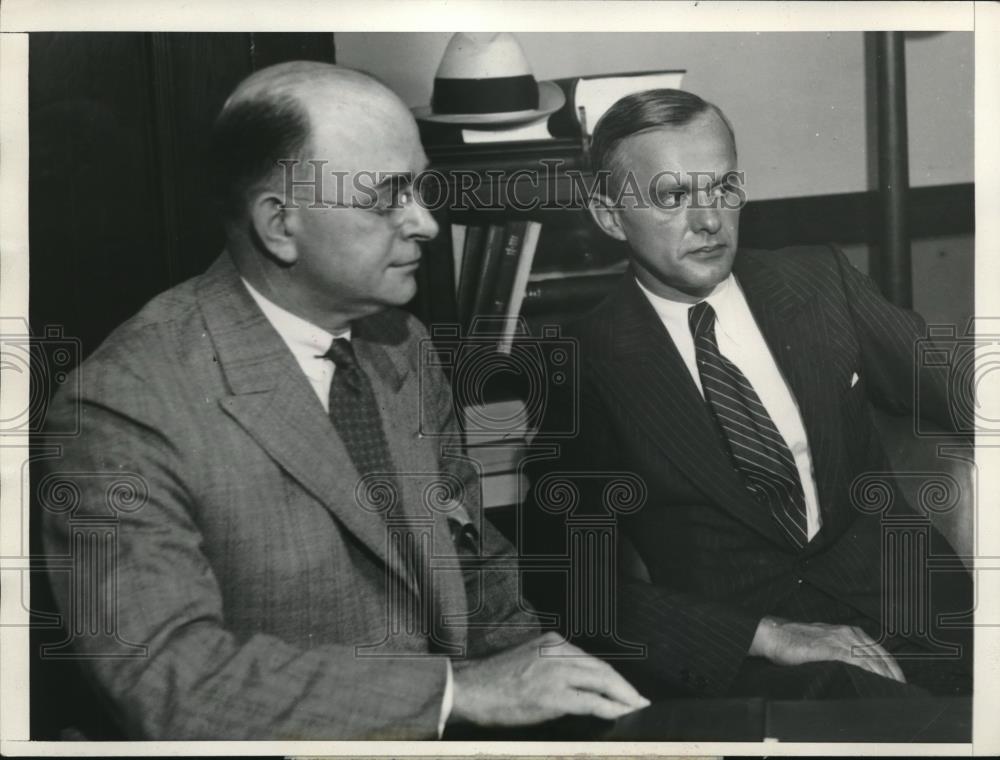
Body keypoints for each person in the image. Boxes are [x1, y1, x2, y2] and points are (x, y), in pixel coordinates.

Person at [39, 62, 648, 740]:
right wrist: (456, 691)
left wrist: (565, 695)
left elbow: (472, 560)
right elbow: (171, 679)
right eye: (388, 197)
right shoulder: (123, 407)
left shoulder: (400, 343)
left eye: (422, 187)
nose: (426, 223)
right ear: (279, 225)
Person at [526, 88, 972, 701]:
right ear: (608, 216)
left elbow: (958, 387)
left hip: (930, 618)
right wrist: (766, 635)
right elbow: (569, 584)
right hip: (768, 670)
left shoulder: (819, 282)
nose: (708, 221)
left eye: (723, 189)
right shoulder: (581, 364)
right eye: (672, 197)